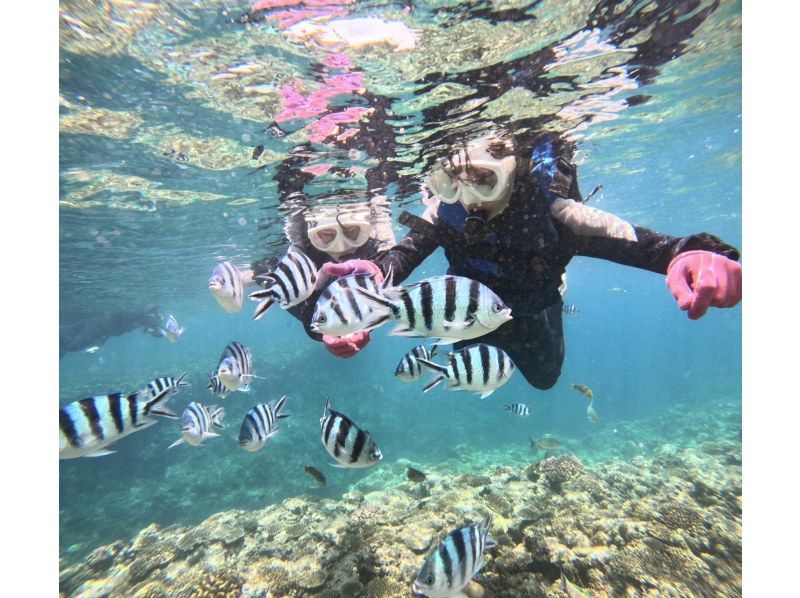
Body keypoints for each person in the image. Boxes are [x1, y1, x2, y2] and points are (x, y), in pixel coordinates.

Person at [319, 131, 742, 389]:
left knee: (544, 380)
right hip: (465, 311)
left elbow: (655, 246)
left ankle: (550, 300)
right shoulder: (444, 213)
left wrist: (696, 253)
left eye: (484, 180)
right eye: (450, 184)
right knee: (466, 368)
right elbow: (403, 255)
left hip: (534, 308)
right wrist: (375, 277)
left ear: (514, 169)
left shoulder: (558, 215)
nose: (467, 199)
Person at [251, 198, 396, 357]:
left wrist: (359, 325)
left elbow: (380, 291)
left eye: (352, 231)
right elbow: (304, 310)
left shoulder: (377, 243)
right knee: (268, 278)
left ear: (366, 228)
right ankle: (248, 278)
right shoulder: (305, 251)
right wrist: (325, 331)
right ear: (312, 235)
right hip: (310, 288)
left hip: (331, 306)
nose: (342, 246)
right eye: (327, 235)